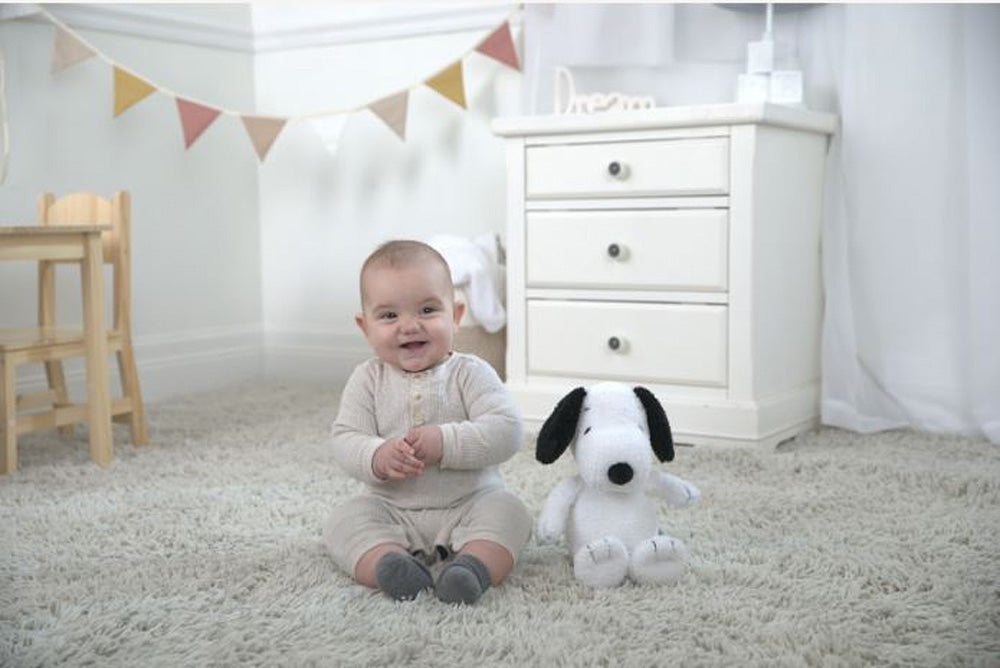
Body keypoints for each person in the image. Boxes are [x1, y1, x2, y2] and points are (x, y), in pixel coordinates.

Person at [323, 239, 531, 604]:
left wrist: (445, 441)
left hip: (470, 502)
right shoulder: (366, 379)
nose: (410, 325)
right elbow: (344, 438)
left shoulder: (471, 373)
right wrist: (377, 455)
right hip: (391, 508)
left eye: (427, 310)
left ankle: (472, 569)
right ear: (365, 326)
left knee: (511, 513)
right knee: (343, 521)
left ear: (455, 316)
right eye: (389, 316)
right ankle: (389, 565)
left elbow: (508, 430)